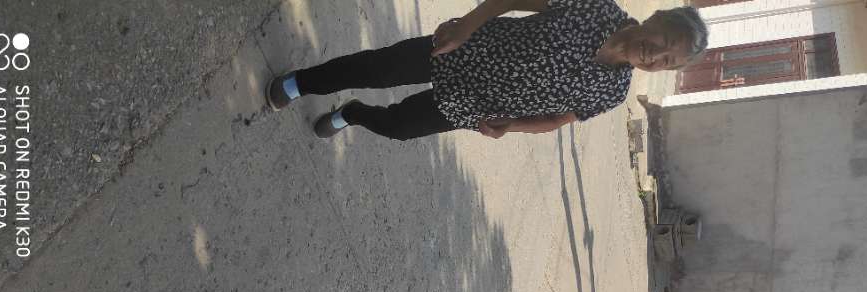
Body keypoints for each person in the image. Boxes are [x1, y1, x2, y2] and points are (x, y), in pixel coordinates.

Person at [263, 0, 708, 141]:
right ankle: (299, 83)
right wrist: (466, 25)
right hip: (463, 52)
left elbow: (558, 119)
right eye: (664, 41)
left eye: (668, 60)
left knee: (399, 127)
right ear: (656, 17)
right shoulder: (596, 8)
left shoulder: (612, 92)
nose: (656, 55)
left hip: (474, 105)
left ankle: (351, 114)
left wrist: (512, 125)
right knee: (375, 69)